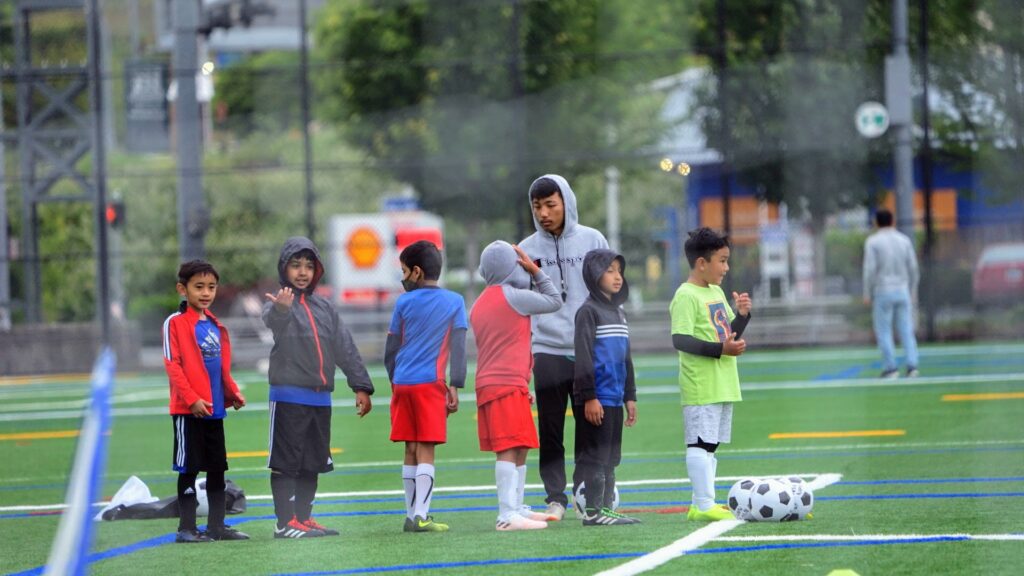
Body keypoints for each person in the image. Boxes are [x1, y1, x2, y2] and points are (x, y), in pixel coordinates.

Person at [263, 237, 374, 539]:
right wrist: (281, 310)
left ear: (317, 271)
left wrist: (361, 385)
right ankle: (284, 524)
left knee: (312, 461)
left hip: (320, 399)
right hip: (288, 397)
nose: (302, 272)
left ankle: (303, 518)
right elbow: (273, 321)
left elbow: (345, 347)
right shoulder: (278, 303)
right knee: (286, 462)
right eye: (295, 265)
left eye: (309, 266)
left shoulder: (325, 307)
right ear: (284, 268)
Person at [519, 174, 609, 521]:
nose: (543, 213)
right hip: (546, 349)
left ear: (566, 203)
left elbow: (608, 291)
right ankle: (555, 497)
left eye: (550, 205)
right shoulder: (525, 249)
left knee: (590, 425)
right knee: (550, 429)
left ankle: (586, 492)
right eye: (537, 207)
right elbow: (519, 303)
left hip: (587, 349)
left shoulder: (592, 239)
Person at [470, 240, 562, 531]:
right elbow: (554, 300)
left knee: (520, 444)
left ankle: (517, 507)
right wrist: (536, 272)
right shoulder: (514, 296)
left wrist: (523, 382)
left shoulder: (480, 302)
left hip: (504, 382)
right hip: (505, 383)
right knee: (509, 447)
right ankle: (507, 514)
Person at [162, 259, 249, 543]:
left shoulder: (213, 324)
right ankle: (186, 528)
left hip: (214, 411)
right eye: (199, 287)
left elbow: (220, 368)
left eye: (211, 287)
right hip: (188, 412)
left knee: (217, 469)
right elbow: (173, 365)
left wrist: (232, 393)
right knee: (188, 469)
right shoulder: (174, 323)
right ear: (182, 289)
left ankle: (216, 526)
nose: (206, 293)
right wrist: (191, 400)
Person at [385, 240, 468, 532]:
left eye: (404, 271)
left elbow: (391, 347)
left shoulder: (403, 302)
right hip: (430, 384)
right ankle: (421, 515)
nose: (404, 277)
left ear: (417, 272)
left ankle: (410, 515)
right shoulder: (455, 301)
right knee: (426, 448)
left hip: (402, 383)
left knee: (410, 447)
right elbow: (459, 348)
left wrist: (394, 381)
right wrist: (455, 385)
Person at [670, 228, 751, 522]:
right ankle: (704, 504)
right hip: (701, 384)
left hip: (722, 382)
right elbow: (680, 339)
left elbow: (729, 334)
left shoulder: (715, 292)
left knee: (711, 445)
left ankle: (700, 503)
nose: (726, 268)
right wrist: (721, 349)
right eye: (722, 261)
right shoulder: (685, 295)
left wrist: (742, 316)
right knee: (699, 443)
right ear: (702, 263)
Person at [572, 249, 641, 526]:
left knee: (611, 458)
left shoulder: (619, 313)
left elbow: (626, 357)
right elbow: (583, 356)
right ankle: (593, 512)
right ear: (594, 275)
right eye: (609, 271)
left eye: (619, 271)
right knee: (596, 457)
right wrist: (589, 397)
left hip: (614, 398)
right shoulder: (588, 312)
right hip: (596, 399)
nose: (617, 276)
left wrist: (630, 395)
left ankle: (607, 509)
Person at [862, 209, 920, 378]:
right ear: (892, 221)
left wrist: (867, 292)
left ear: (876, 222)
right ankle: (912, 365)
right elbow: (913, 268)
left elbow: (869, 270)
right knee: (906, 329)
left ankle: (890, 368)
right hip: (902, 290)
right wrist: (913, 289)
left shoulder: (873, 242)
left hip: (883, 290)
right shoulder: (904, 240)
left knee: (884, 331)